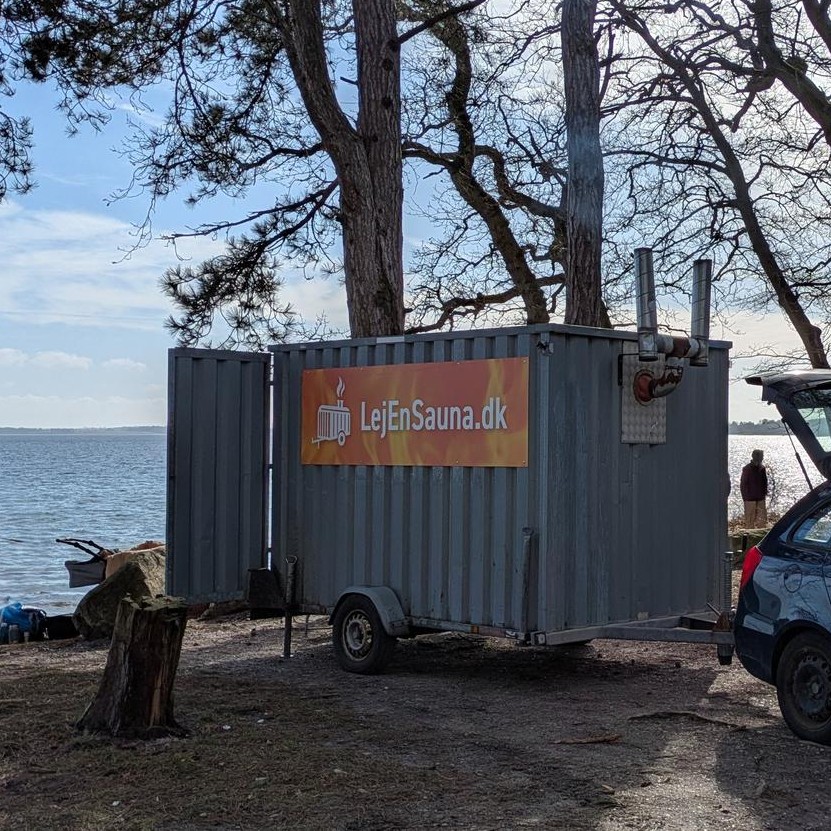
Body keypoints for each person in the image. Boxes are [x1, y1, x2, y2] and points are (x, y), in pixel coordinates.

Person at [741, 448, 769, 528]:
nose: (762, 458)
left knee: (762, 521)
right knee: (749, 521)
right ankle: (749, 538)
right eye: (761, 456)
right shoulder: (747, 469)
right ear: (756, 457)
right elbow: (743, 484)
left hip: (760, 498)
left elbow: (765, 482)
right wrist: (745, 497)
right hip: (749, 498)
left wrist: (764, 493)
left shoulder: (762, 468)